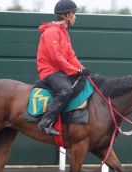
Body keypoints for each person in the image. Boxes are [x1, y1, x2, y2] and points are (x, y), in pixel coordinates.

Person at [36, 0, 91, 136]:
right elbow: (56, 58)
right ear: (67, 16)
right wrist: (75, 71)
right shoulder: (52, 32)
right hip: (49, 72)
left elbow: (71, 56)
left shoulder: (64, 32)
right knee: (65, 90)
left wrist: (83, 69)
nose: (75, 17)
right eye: (74, 14)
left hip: (60, 72)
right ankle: (45, 122)